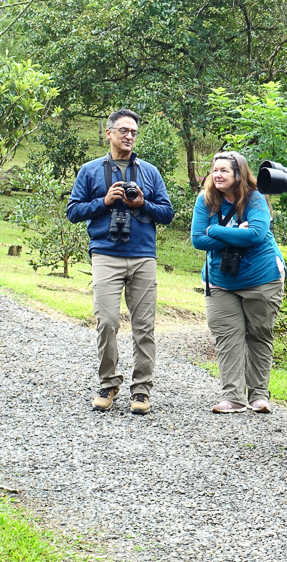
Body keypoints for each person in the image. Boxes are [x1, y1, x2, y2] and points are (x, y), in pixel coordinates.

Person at [67, 108, 174, 415]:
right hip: (105, 253)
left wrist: (143, 203)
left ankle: (141, 390)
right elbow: (73, 211)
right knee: (107, 321)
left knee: (144, 327)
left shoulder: (150, 173)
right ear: (109, 133)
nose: (129, 137)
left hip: (142, 255)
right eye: (124, 131)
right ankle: (108, 382)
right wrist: (104, 201)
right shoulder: (90, 171)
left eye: (133, 133)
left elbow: (167, 213)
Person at [190, 151, 286, 414]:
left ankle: (259, 395)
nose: (217, 175)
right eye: (214, 170)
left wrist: (215, 231)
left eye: (224, 171)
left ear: (238, 175)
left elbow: (255, 235)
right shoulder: (206, 199)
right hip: (220, 280)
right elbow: (198, 239)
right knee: (227, 337)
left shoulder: (255, 198)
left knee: (259, 335)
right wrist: (234, 233)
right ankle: (233, 397)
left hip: (262, 278)